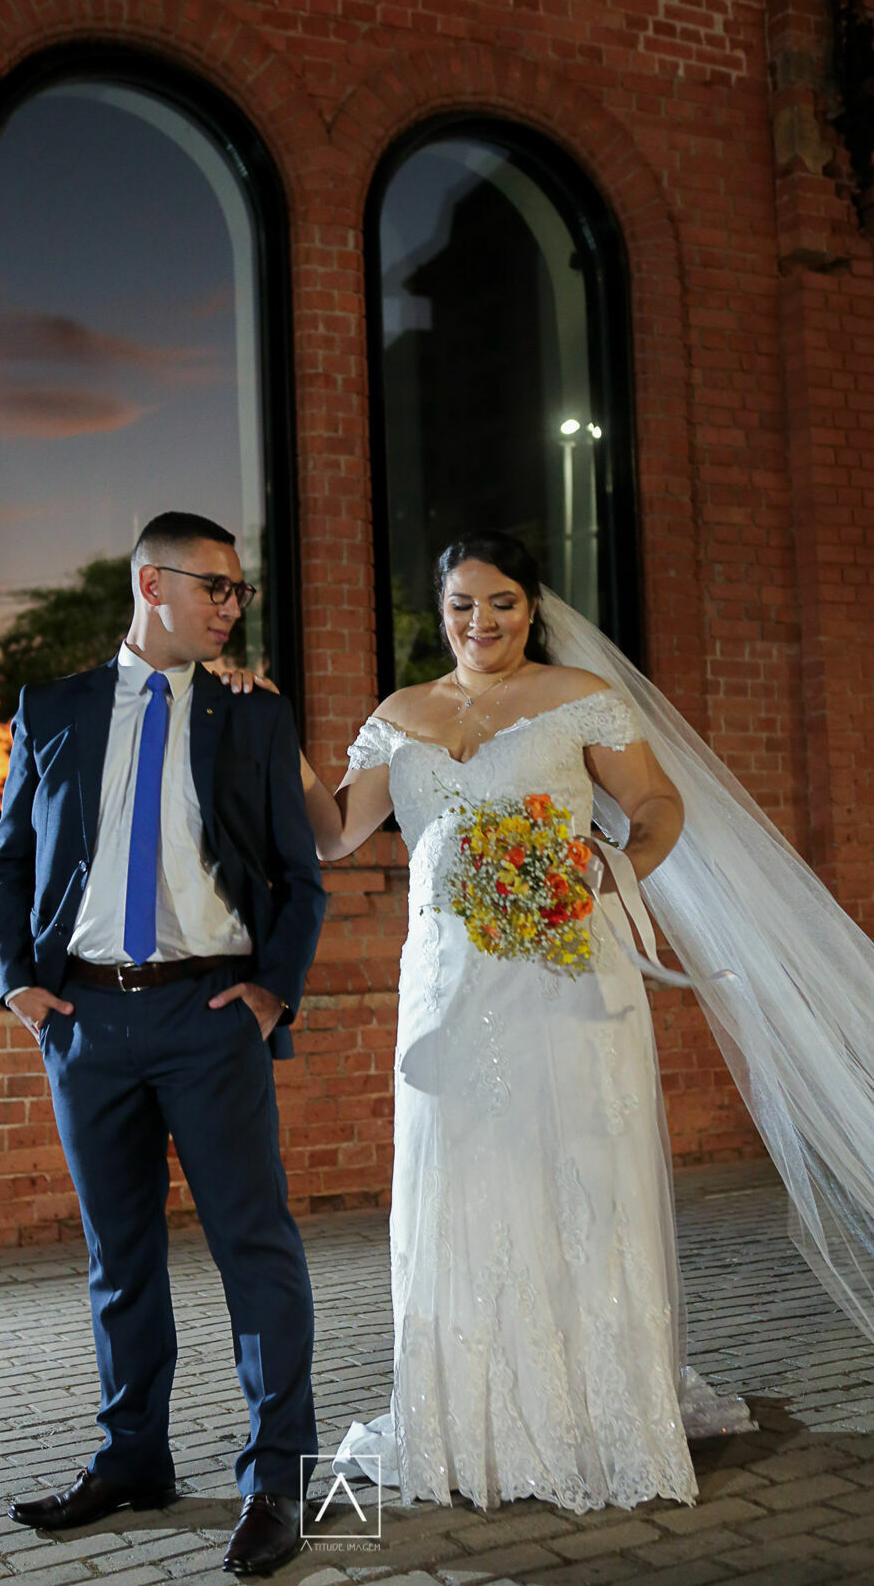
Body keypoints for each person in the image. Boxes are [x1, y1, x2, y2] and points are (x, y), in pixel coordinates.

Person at [283, 529, 756, 1512]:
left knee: (571, 1172)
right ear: (438, 608)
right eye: (461, 604)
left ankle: (595, 1412)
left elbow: (655, 807)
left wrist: (602, 866)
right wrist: (273, 731)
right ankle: (474, 1419)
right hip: (448, 988)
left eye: (498, 602)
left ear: (528, 607)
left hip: (562, 978)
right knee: (463, 1184)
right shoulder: (402, 714)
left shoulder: (576, 698)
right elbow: (332, 835)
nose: (479, 622)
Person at [0, 511, 325, 1575]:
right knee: (117, 1257)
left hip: (207, 1015)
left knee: (252, 1248)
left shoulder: (252, 716)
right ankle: (133, 1458)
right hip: (85, 1020)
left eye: (238, 591)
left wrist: (271, 991)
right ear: (151, 584)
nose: (231, 605)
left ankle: (280, 1480)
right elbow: (8, 862)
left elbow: (298, 874)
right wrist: (20, 987)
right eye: (214, 587)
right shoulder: (53, 707)